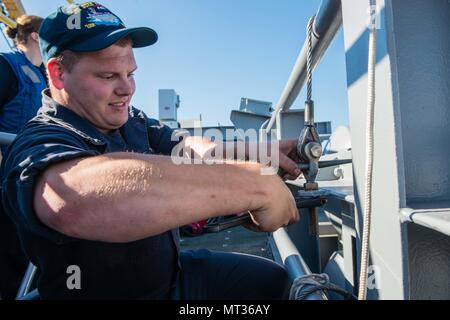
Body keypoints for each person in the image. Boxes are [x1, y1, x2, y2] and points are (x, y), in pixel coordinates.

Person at [0, 2, 301, 300]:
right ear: (58, 74)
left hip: (169, 278)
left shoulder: (133, 121)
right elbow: (70, 199)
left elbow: (188, 147)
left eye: (130, 73)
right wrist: (248, 185)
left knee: (272, 283)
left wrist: (263, 154)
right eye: (108, 76)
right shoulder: (40, 139)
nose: (127, 89)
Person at [0, 14, 45, 300]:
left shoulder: (47, 79)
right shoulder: (6, 66)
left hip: (33, 186)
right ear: (36, 36)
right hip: (6, 187)